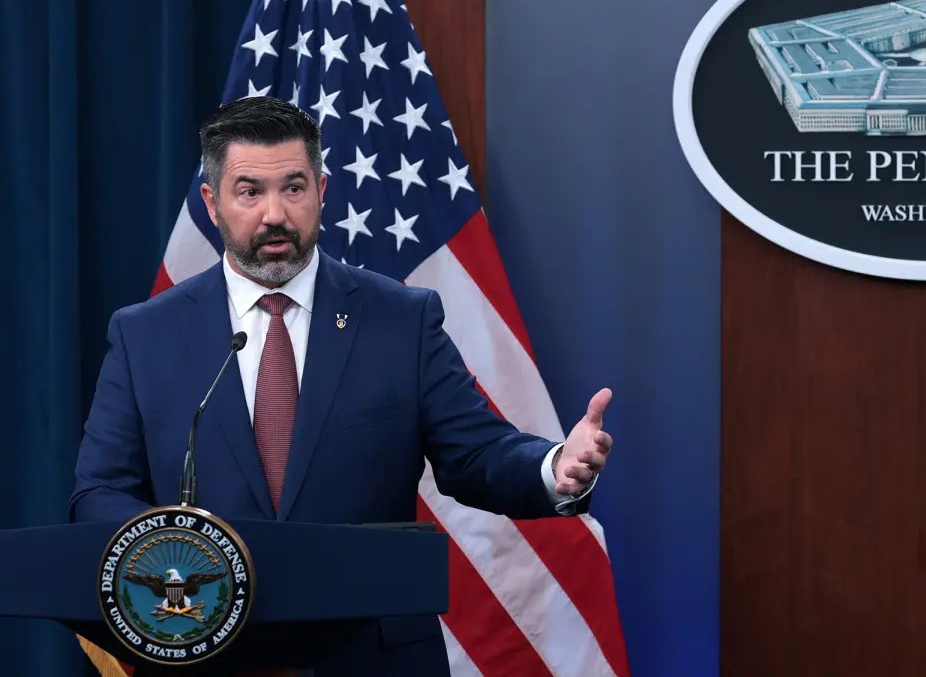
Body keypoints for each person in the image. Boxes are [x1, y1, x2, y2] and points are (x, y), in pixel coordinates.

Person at [69, 96, 613, 676]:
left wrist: (552, 467)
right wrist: (183, 553)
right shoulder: (146, 334)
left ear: (322, 190)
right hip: (207, 653)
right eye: (250, 192)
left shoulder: (401, 319)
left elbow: (477, 453)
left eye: (294, 188)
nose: (275, 214)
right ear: (212, 203)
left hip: (369, 655)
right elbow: (100, 492)